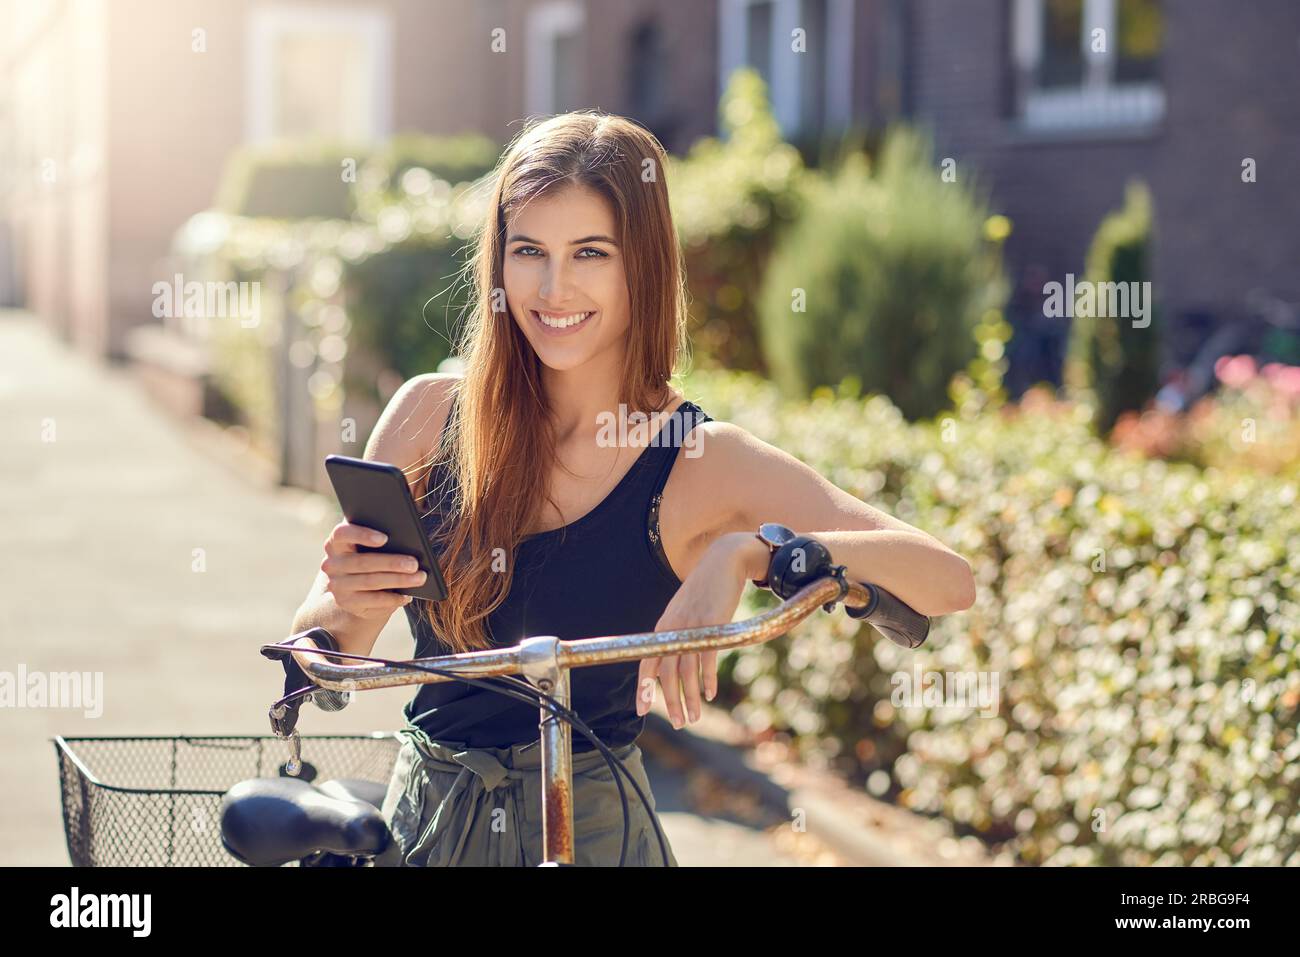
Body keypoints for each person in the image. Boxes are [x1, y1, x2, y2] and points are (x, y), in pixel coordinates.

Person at [287, 111, 976, 867]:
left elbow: (946, 580)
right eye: (529, 251)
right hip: (429, 827)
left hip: (593, 835)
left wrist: (751, 555)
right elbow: (331, 651)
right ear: (498, 263)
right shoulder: (425, 417)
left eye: (590, 253)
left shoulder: (699, 456)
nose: (554, 288)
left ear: (640, 265)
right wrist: (344, 601)